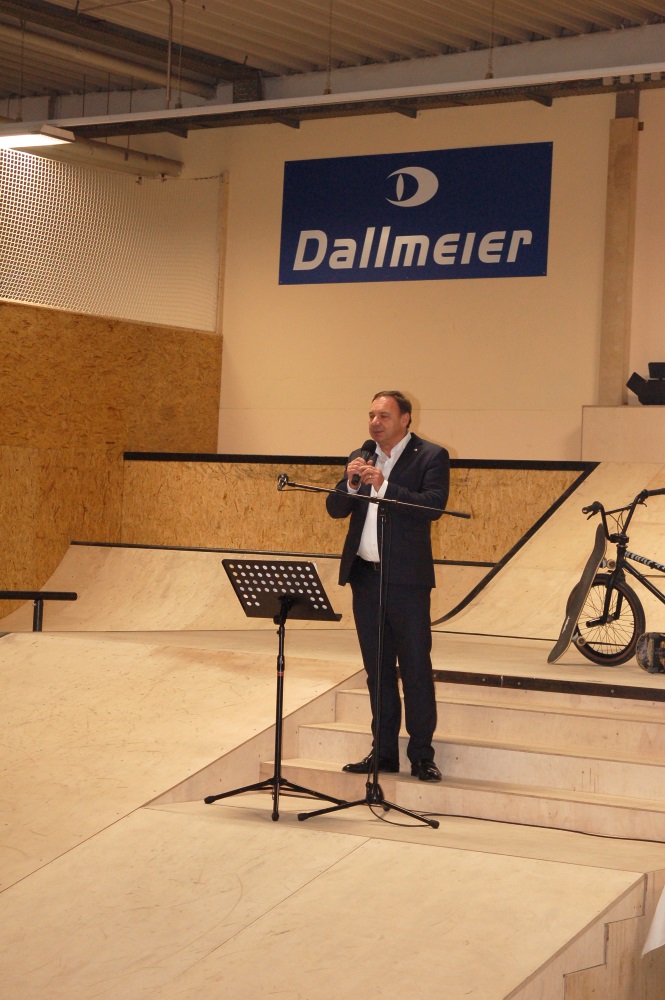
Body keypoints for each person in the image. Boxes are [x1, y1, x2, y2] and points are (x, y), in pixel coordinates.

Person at [326, 390, 449, 782]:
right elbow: (335, 509)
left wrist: (384, 486)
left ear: (405, 418)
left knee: (414, 669)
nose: (375, 423)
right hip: (366, 578)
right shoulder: (361, 456)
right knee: (377, 671)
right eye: (371, 415)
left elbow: (433, 505)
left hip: (407, 582)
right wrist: (351, 484)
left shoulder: (431, 456)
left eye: (383, 416)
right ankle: (383, 753)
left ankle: (421, 755)